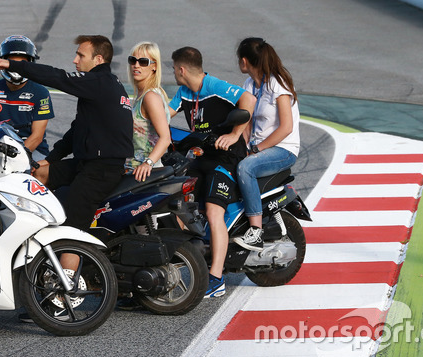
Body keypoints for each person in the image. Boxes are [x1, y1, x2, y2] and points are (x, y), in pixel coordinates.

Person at [0, 35, 133, 238]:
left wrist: (12, 64)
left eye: (81, 55)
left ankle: (67, 269)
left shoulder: (98, 82)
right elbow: (76, 131)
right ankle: (29, 230)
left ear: (98, 59)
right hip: (87, 163)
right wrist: (49, 160)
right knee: (38, 175)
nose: (75, 60)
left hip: (100, 170)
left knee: (70, 231)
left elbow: (57, 77)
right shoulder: (101, 85)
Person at [169, 46, 254, 299]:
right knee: (173, 199)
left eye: (173, 69)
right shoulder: (183, 93)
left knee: (214, 211)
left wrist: (234, 134)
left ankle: (216, 279)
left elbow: (248, 100)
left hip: (226, 158)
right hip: (202, 156)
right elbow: (162, 114)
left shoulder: (215, 86)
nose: (173, 73)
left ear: (182, 69)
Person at [234, 37, 300, 252]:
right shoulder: (249, 84)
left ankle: (256, 230)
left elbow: (286, 128)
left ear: (245, 61)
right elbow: (247, 121)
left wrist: (255, 150)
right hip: (258, 147)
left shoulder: (277, 84)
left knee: (246, 167)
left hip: (284, 149)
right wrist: (241, 146)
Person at [0, 35, 54, 161]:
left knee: (36, 175)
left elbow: (37, 136)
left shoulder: (41, 93)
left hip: (33, 149)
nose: (16, 67)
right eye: (12, 62)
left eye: (21, 63)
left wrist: (15, 157)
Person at [125, 41, 172, 182]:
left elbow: (165, 138)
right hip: (133, 170)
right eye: (133, 60)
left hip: (143, 174)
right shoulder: (143, 95)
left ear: (154, 67)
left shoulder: (150, 97)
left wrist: (148, 163)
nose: (136, 65)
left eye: (143, 62)